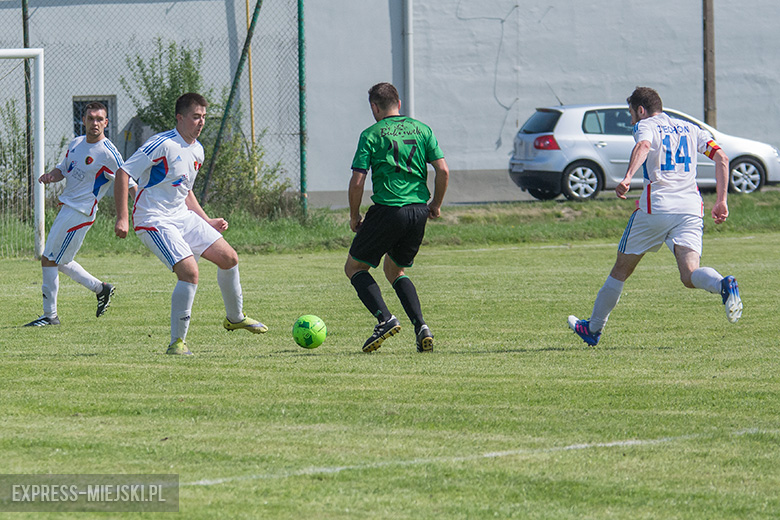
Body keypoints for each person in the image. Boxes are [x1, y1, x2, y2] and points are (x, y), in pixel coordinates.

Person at [568, 86, 742, 346]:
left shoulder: (646, 125)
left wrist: (627, 178)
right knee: (689, 273)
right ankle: (723, 284)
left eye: (631, 114)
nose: (631, 121)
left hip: (656, 207)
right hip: (690, 209)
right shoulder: (690, 128)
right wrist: (721, 201)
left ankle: (593, 329)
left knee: (621, 270)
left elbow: (644, 145)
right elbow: (723, 158)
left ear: (641, 110)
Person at [114, 92, 267, 355]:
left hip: (182, 217)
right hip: (153, 219)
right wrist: (122, 217)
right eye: (196, 116)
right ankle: (177, 343)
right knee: (190, 272)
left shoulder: (198, 150)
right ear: (180, 118)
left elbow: (185, 190)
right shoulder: (161, 144)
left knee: (229, 258)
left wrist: (205, 220)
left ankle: (235, 317)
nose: (201, 122)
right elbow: (123, 172)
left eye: (204, 117)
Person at [344, 82, 449, 353]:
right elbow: (443, 171)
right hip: (418, 211)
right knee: (395, 270)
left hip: (389, 209)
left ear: (374, 107)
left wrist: (355, 215)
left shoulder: (371, 134)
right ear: (399, 104)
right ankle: (421, 327)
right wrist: (435, 205)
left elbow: (357, 182)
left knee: (354, 268)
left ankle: (385, 319)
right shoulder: (422, 129)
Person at [24, 102, 136, 327]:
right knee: (61, 260)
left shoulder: (108, 152)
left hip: (81, 212)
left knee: (49, 258)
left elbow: (129, 182)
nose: (95, 123)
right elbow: (62, 170)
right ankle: (101, 288)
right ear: (83, 120)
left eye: (99, 119)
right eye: (91, 118)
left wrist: (139, 210)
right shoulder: (76, 143)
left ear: (106, 122)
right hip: (67, 209)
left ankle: (50, 315)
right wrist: (50, 176)